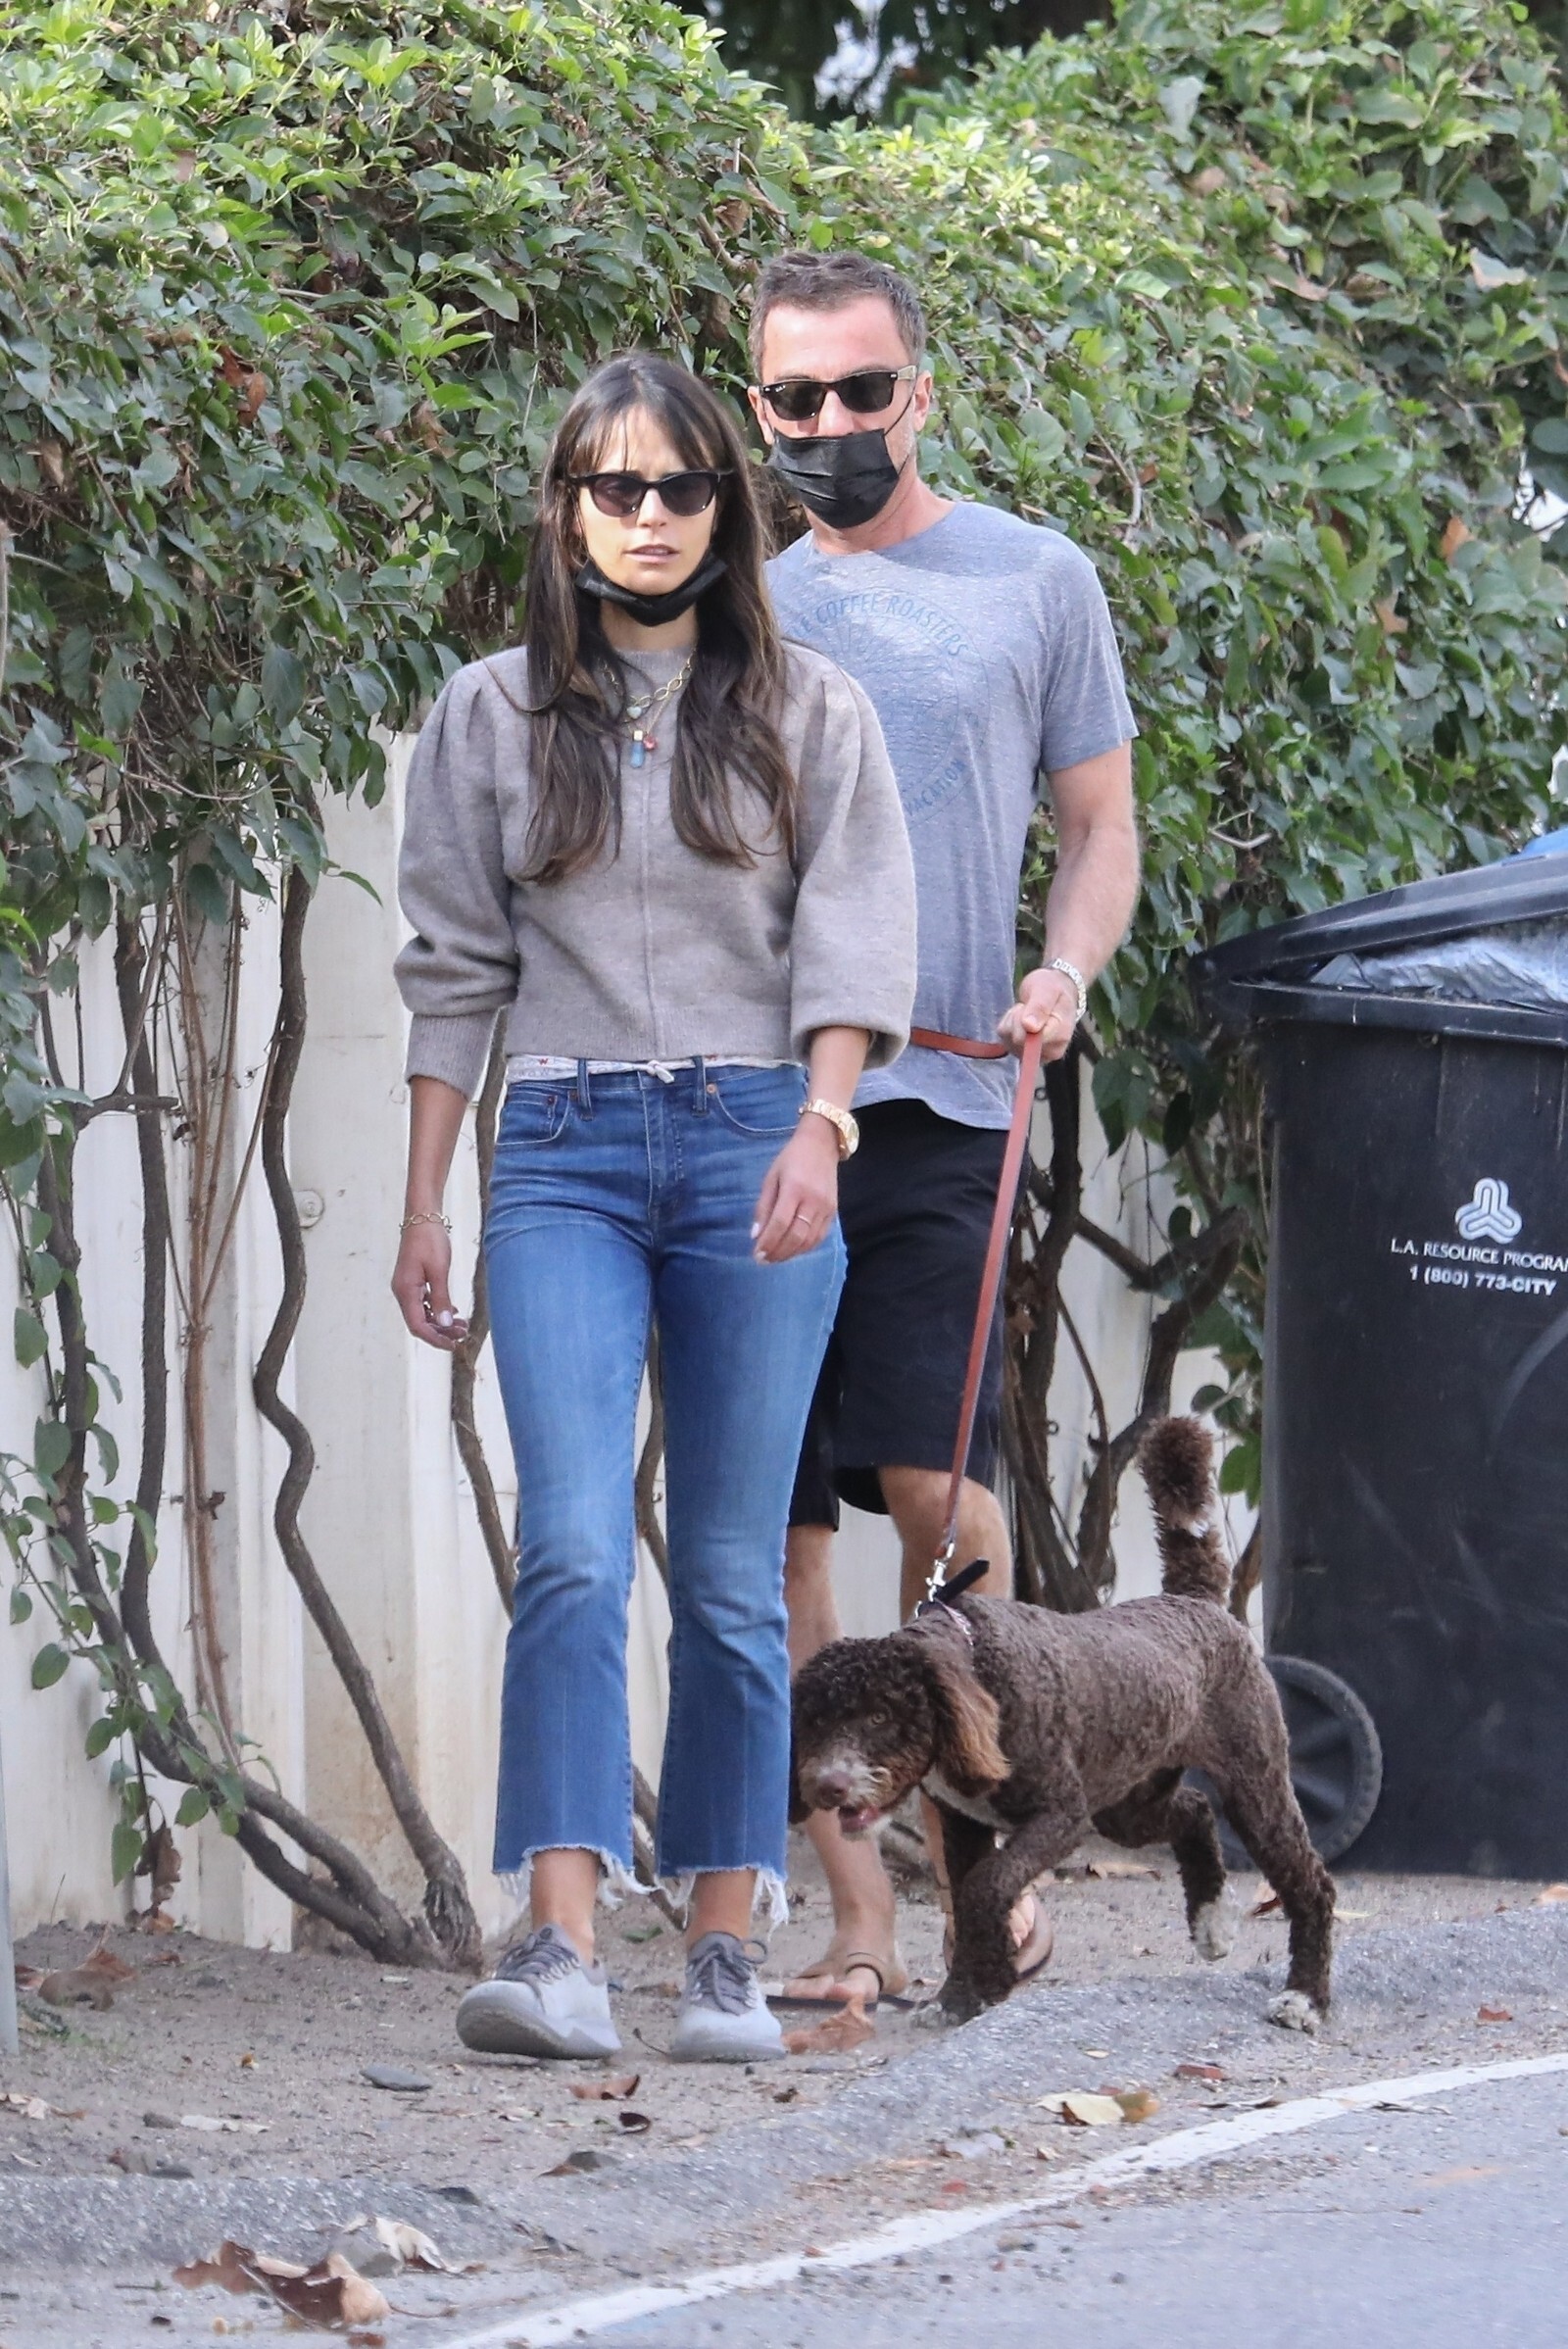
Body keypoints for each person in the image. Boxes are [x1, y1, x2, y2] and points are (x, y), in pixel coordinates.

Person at [391, 352, 916, 2063]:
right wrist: (424, 1202)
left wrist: (823, 1125)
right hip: (561, 1148)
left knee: (734, 1573)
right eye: (614, 487)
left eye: (680, 486)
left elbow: (853, 939)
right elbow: (453, 970)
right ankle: (557, 1945)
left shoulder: (808, 709)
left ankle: (720, 1948)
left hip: (759, 1138)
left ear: (723, 508)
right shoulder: (488, 715)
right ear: (566, 512)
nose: (648, 516)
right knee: (566, 1541)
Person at [748, 250, 1141, 2007]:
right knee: (776, 1532)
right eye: (797, 397)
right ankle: (859, 1927)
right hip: (759, 1112)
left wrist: (1065, 968)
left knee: (933, 1494)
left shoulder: (1036, 580)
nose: (831, 421)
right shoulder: (744, 606)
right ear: (761, 409)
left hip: (950, 1094)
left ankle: (996, 1871)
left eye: (861, 388)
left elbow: (1101, 825)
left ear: (921, 390)